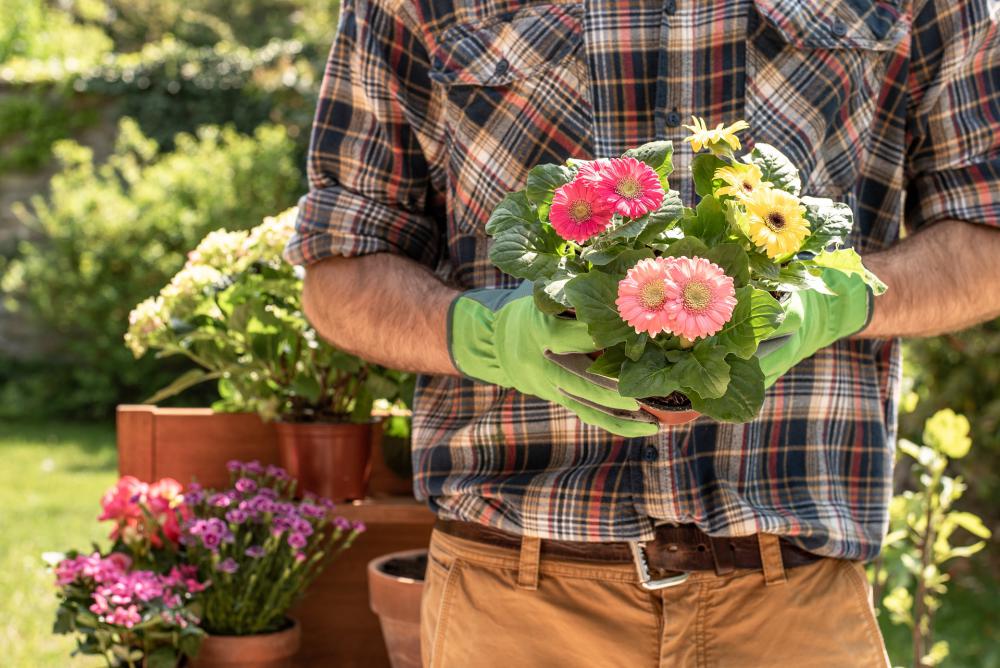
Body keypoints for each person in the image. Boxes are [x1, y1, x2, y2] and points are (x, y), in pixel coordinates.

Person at [284, 1, 1000, 665]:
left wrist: (844, 297)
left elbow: (986, 236)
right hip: (516, 605)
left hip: (793, 608)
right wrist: (484, 334)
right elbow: (341, 265)